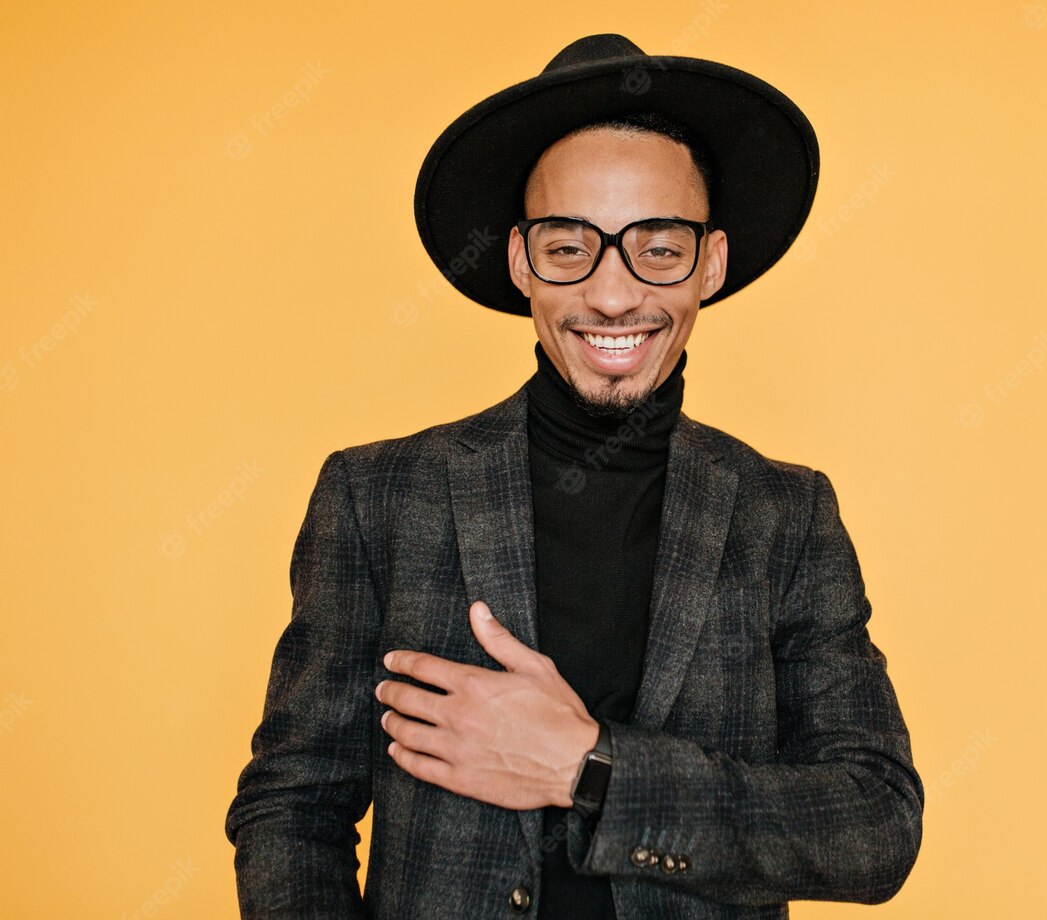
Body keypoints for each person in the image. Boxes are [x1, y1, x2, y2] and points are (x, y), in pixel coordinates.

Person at [225, 33, 923, 919]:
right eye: (570, 249)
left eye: (657, 250)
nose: (612, 295)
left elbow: (874, 827)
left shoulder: (787, 514)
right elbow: (291, 809)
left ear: (710, 262)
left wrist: (591, 768)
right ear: (522, 262)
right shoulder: (378, 498)